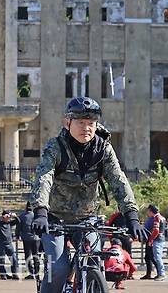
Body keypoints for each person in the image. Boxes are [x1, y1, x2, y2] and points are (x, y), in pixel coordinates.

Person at [29, 97, 148, 293]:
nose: (87, 128)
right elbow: (44, 178)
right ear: (67, 122)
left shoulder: (103, 149)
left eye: (91, 123)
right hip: (54, 218)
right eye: (81, 123)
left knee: (95, 261)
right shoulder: (56, 147)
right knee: (58, 268)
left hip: (87, 217)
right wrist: (40, 212)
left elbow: (119, 181)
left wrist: (132, 217)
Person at [0, 210, 20, 280]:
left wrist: (15, 216)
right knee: (1, 260)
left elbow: (18, 221)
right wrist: (2, 217)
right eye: (7, 217)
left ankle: (15, 273)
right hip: (1, 244)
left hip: (9, 244)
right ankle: (3, 274)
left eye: (9, 217)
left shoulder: (9, 223)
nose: (8, 218)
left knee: (13, 259)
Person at [17, 202, 40, 280]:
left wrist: (17, 236)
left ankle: (31, 273)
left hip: (26, 239)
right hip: (36, 238)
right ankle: (37, 274)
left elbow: (18, 227)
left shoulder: (22, 216)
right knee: (36, 256)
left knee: (28, 256)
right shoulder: (36, 216)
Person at [145, 204, 166, 281]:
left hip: (157, 239)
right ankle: (160, 273)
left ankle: (161, 274)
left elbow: (156, 230)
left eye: (149, 211)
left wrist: (151, 240)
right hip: (161, 238)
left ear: (151, 211)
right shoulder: (162, 218)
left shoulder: (157, 217)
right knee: (157, 257)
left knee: (157, 257)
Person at [140, 213, 159, 280]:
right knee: (147, 257)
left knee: (152, 257)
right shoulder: (150, 219)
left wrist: (151, 240)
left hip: (151, 240)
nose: (148, 212)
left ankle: (160, 272)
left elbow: (154, 230)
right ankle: (148, 274)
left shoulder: (154, 219)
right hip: (148, 239)